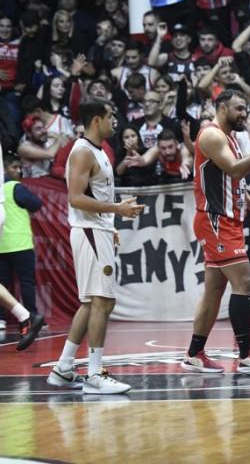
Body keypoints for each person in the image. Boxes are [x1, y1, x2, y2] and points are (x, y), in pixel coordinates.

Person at [47, 97, 145, 394]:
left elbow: (94, 196)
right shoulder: (82, 152)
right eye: (111, 115)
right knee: (101, 301)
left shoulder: (100, 151)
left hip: (98, 229)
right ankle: (94, 374)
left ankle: (64, 368)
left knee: (93, 302)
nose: (115, 121)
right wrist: (116, 211)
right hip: (88, 230)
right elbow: (75, 198)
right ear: (96, 120)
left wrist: (112, 216)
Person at [182, 89, 250, 374]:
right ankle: (247, 355)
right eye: (238, 109)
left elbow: (232, 179)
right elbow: (236, 170)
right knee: (244, 282)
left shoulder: (230, 137)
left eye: (245, 110)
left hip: (226, 220)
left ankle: (194, 353)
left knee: (213, 290)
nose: (243, 114)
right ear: (221, 107)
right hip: (216, 221)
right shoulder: (212, 135)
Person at [0, 146, 44, 349]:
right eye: (15, 167)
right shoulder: (15, 187)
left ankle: (2, 320)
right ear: (6, 168)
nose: (19, 171)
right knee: (26, 282)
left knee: (3, 284)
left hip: (3, 245)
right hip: (20, 244)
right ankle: (30, 314)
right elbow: (36, 203)